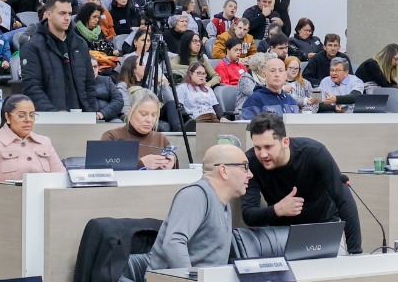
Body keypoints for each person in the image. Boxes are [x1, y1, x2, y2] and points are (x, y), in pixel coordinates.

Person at [240, 112, 362, 253]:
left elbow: (345, 202)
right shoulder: (251, 162)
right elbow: (249, 215)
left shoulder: (314, 152)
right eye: (258, 148)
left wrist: (355, 253)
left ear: (285, 142)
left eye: (268, 147)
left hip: (323, 227)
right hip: (280, 234)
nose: (263, 154)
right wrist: (277, 210)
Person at [147, 144, 251, 270]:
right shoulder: (195, 194)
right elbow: (173, 243)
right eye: (245, 167)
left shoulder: (224, 203)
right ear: (224, 171)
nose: (250, 174)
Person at [21, 0, 100, 117]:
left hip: (82, 117)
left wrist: (90, 112)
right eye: (62, 13)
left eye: (69, 13)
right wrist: (53, 114)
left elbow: (90, 83)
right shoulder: (33, 46)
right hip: (49, 119)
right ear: (48, 15)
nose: (67, 18)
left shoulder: (80, 44)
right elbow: (32, 87)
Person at [0, 94, 65, 194]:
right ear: (8, 117)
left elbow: (62, 178)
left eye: (32, 115)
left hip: (44, 203)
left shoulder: (44, 142)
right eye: (21, 115)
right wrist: (10, 194)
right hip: (10, 204)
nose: (28, 119)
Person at [102, 88, 175, 169]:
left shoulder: (161, 138)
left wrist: (171, 167)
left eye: (154, 115)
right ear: (130, 111)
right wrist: (141, 164)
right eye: (144, 114)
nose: (149, 120)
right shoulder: (112, 136)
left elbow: (174, 175)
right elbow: (102, 170)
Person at [73, 2, 118, 73]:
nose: (97, 20)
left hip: (102, 61)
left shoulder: (98, 30)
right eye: (94, 17)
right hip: (87, 64)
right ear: (86, 16)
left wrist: (112, 51)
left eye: (98, 17)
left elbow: (106, 45)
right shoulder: (76, 31)